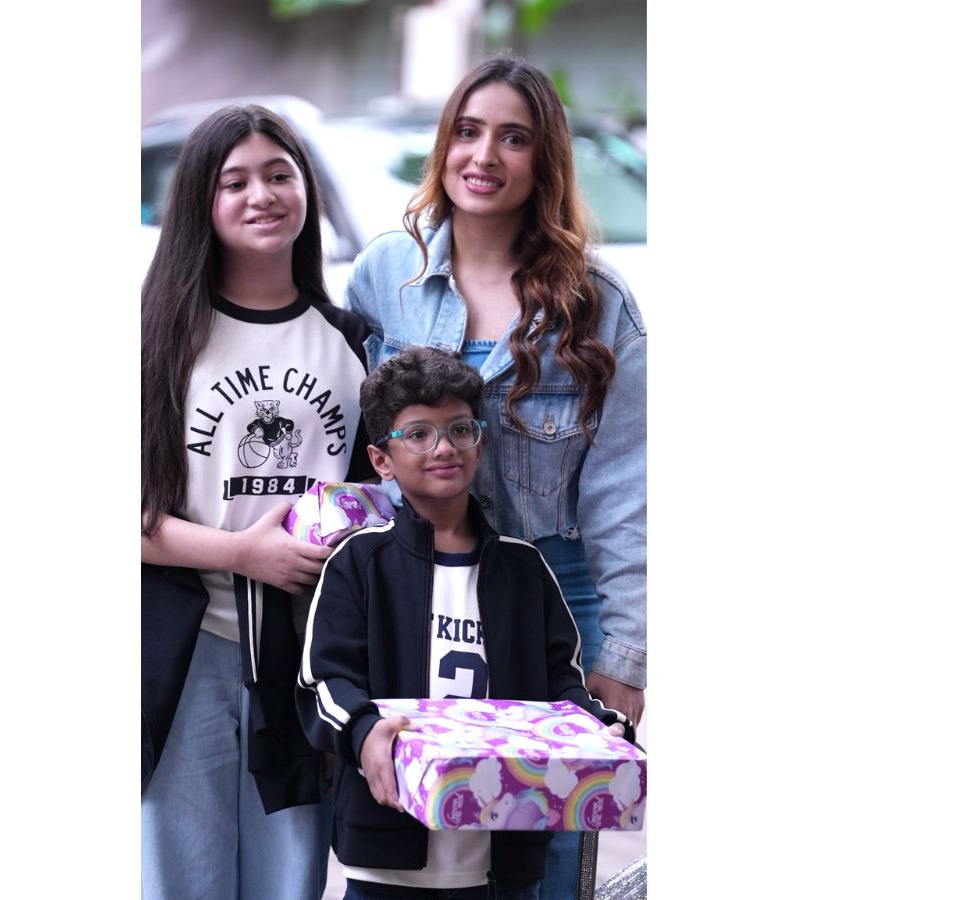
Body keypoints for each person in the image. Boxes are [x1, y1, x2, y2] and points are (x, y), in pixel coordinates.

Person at [342, 55, 647, 897]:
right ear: (444, 145)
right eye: (469, 132)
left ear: (544, 160)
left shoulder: (595, 303)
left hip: (553, 611)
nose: (484, 156)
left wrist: (625, 654)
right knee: (414, 848)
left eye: (514, 138)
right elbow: (354, 441)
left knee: (540, 854)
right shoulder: (384, 277)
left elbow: (626, 488)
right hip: (413, 600)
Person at [140, 104, 376, 900]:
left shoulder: (352, 341)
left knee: (290, 879)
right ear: (200, 201)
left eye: (279, 174)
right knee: (182, 877)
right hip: (186, 650)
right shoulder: (160, 335)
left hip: (306, 658)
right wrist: (243, 554)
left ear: (307, 188)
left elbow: (375, 499)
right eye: (234, 181)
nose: (261, 195)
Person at [297, 346, 634, 900]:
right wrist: (363, 732)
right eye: (418, 435)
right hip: (389, 856)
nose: (444, 447)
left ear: (480, 442)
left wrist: (597, 724)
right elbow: (323, 681)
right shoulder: (360, 563)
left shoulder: (525, 569)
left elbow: (561, 684)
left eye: (459, 429)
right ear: (381, 460)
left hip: (502, 859)